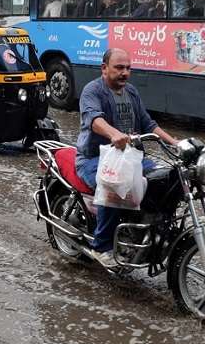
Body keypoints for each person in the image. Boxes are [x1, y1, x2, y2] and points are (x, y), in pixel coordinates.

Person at [75, 48, 178, 265]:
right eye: (119, 68)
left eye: (128, 68)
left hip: (130, 157)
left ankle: (148, 228)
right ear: (104, 68)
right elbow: (94, 119)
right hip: (94, 159)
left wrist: (175, 143)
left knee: (164, 180)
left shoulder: (130, 92)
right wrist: (114, 134)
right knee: (116, 186)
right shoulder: (92, 91)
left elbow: (147, 123)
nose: (125, 73)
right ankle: (101, 247)